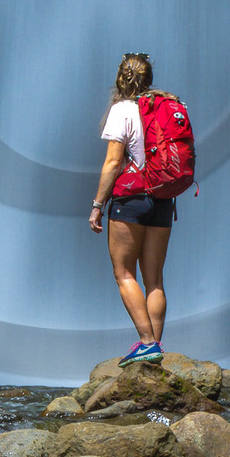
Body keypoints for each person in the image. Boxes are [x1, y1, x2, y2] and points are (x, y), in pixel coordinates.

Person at [88, 52, 176, 366]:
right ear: (149, 79)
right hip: (164, 198)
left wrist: (98, 205)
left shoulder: (122, 110)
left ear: (120, 80)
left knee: (124, 273)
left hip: (131, 198)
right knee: (155, 279)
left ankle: (147, 343)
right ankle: (156, 348)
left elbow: (113, 163)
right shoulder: (167, 106)